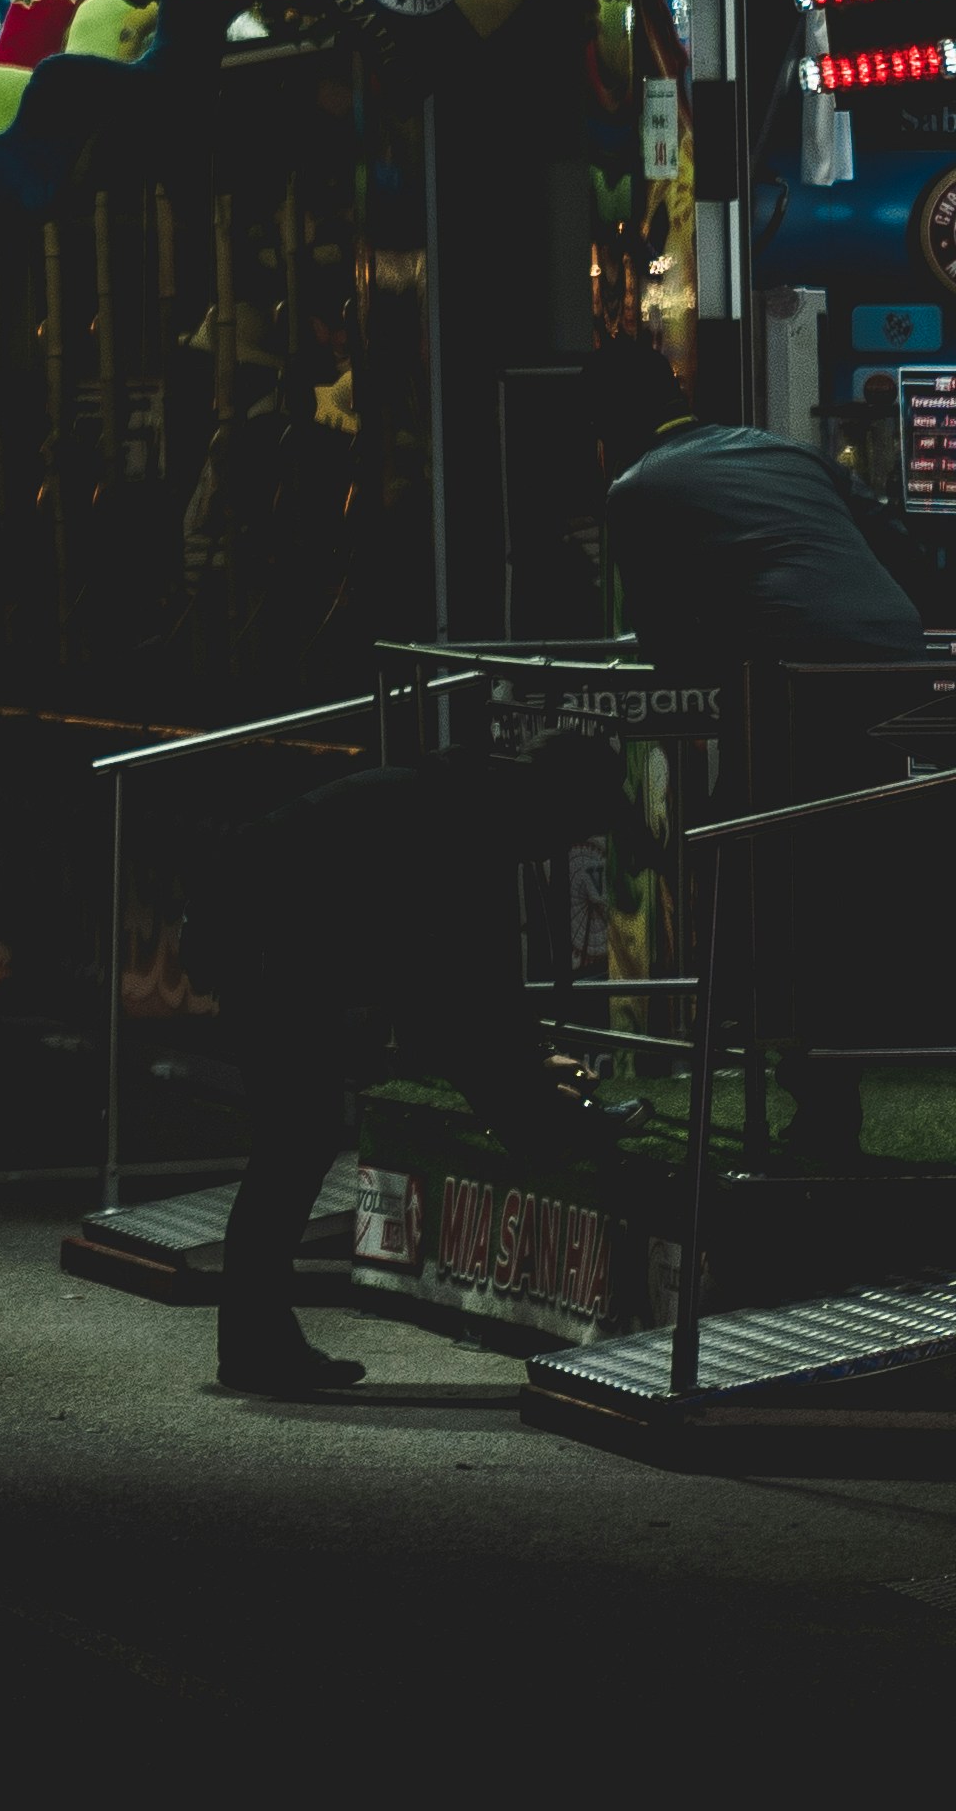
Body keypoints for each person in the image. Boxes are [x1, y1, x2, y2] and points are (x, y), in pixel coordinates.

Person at [186, 727, 638, 1395]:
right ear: (557, 805)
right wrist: (531, 1092)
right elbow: (470, 978)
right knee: (295, 1144)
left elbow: (472, 981)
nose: (567, 848)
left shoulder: (472, 804)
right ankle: (256, 1347)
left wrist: (527, 1065)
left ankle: (254, 1344)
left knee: (294, 1144)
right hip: (264, 949)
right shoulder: (470, 824)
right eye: (576, 830)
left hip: (265, 942)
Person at [596, 415, 932, 1163]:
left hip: (786, 683)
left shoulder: (635, 489)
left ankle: (798, 1083)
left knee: (762, 875)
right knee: (850, 871)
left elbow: (660, 636)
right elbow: (904, 549)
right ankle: (827, 1081)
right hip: (890, 658)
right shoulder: (786, 452)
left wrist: (715, 667)